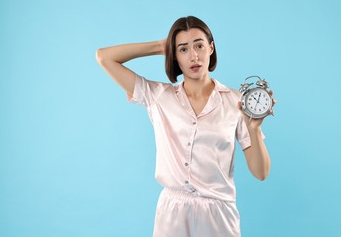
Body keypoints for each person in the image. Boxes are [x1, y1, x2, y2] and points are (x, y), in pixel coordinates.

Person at [95, 16, 275, 237]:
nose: (194, 56)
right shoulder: (158, 97)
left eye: (199, 45)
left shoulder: (236, 102)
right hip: (172, 213)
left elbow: (261, 172)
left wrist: (254, 130)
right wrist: (161, 46)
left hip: (218, 214)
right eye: (183, 49)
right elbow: (104, 57)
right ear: (175, 56)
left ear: (211, 48)